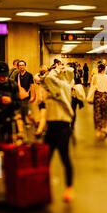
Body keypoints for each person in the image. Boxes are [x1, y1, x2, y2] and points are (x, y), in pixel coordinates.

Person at [35, 62, 75, 202]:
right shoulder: (50, 86)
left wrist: (59, 69)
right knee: (45, 160)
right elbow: (40, 79)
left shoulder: (64, 87)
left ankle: (69, 188)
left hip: (63, 127)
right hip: (51, 127)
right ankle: (42, 187)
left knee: (65, 158)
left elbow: (52, 78)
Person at [0, 62, 23, 142]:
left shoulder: (13, 85)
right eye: (0, 76)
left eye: (4, 76)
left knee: (10, 145)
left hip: (9, 119)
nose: (2, 78)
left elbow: (18, 104)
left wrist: (10, 101)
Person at [91, 63, 107, 139]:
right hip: (106, 96)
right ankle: (104, 128)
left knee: (97, 113)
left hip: (97, 96)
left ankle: (98, 130)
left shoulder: (94, 77)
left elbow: (92, 86)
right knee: (105, 112)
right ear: (104, 69)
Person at [15, 60, 36, 128]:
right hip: (20, 96)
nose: (21, 66)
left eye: (23, 65)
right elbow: (16, 86)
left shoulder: (29, 75)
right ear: (18, 67)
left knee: (28, 112)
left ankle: (35, 123)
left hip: (27, 96)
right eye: (20, 65)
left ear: (25, 66)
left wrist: (33, 96)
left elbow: (32, 86)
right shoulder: (17, 75)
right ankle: (25, 124)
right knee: (22, 111)